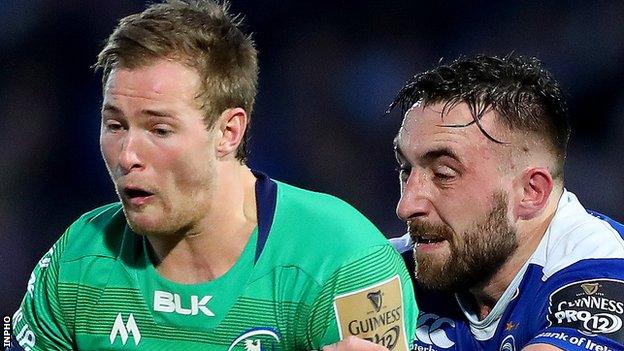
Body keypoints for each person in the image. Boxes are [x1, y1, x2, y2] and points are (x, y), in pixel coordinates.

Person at [9, 1, 417, 350]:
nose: (128, 155)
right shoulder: (79, 257)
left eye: (159, 130)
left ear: (228, 132)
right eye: (114, 125)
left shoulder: (340, 259)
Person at [326, 54, 624, 351]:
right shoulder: (384, 273)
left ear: (531, 192)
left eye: (444, 174)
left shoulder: (605, 269)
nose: (406, 206)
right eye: (406, 170)